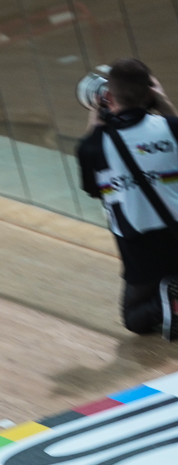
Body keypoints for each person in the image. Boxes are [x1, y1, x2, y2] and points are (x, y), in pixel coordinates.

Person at [77, 58, 178, 339]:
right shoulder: (171, 127)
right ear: (150, 93)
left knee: (135, 320)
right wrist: (164, 103)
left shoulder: (94, 146)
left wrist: (94, 127)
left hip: (140, 247)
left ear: (108, 97)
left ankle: (171, 303)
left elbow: (93, 190)